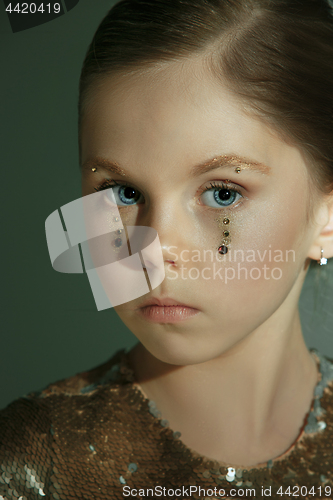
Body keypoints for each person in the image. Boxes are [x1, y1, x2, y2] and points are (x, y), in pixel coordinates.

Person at [1, 0, 333, 498]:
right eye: (122, 192)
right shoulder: (33, 460)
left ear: (326, 217)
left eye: (223, 193)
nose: (152, 251)